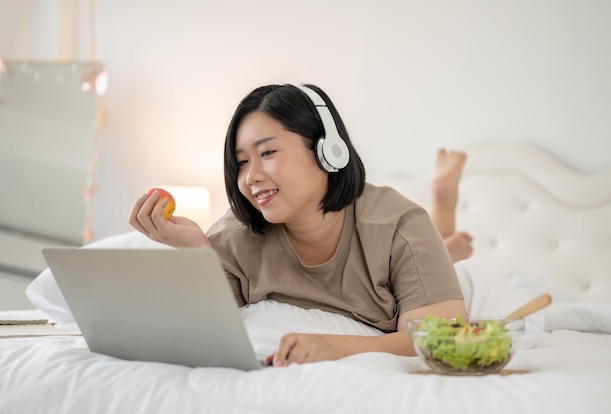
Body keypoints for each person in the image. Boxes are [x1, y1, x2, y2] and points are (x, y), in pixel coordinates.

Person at [129, 83, 467, 367]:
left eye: (268, 153)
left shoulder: (399, 226)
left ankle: (446, 226)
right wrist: (197, 253)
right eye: (242, 162)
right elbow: (203, 327)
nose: (251, 177)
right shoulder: (236, 235)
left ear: (328, 151)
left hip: (416, 262)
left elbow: (439, 340)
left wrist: (331, 348)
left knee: (462, 269)